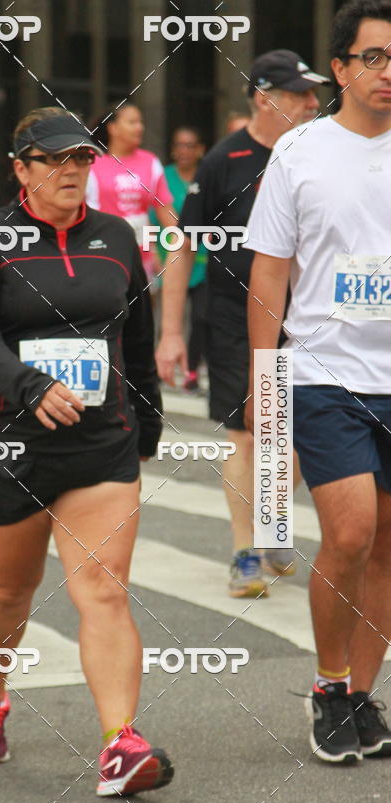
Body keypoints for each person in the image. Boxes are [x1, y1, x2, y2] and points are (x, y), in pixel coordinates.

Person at [0, 105, 174, 797]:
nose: (73, 170)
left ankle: (119, 744)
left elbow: (135, 338)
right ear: (21, 169)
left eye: (82, 159)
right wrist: (29, 383)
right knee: (10, 589)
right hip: (8, 440)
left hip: (101, 444)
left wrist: (149, 421)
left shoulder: (115, 238)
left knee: (102, 590)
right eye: (56, 160)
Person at [245, 0, 391, 763]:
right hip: (325, 371)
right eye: (373, 57)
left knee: (390, 546)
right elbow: (270, 268)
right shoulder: (300, 151)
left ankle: (362, 699)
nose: (388, 72)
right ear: (340, 69)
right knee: (352, 531)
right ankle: (330, 684)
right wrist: (265, 375)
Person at [156, 50, 330, 599]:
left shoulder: (319, 154)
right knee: (246, 434)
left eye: (312, 93)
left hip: (307, 318)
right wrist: (172, 331)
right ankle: (245, 552)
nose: (311, 103)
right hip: (233, 318)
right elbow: (182, 246)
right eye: (299, 94)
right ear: (262, 97)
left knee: (301, 434)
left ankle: (271, 521)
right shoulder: (225, 161)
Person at [85, 102, 175, 284]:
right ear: (113, 128)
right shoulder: (90, 162)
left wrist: (175, 250)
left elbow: (166, 212)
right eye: (132, 122)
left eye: (140, 122)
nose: (139, 127)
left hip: (143, 260)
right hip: (102, 257)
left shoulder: (151, 162)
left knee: (143, 311)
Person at [149, 126, 209, 393]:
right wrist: (156, 257)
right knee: (167, 317)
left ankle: (192, 369)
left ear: (200, 150)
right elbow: (154, 223)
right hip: (170, 261)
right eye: (179, 145)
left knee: (200, 318)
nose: (184, 151)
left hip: (204, 263)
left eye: (190, 145)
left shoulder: (207, 177)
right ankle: (160, 364)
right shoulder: (164, 178)